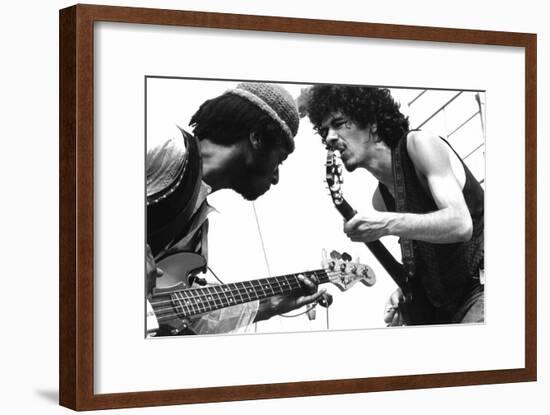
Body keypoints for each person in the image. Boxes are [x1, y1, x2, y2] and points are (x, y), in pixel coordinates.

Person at [146, 82, 326, 335]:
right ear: (257, 137)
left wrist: (272, 304)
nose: (276, 177)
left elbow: (187, 315)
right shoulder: (165, 146)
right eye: (280, 159)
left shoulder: (197, 233)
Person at [303, 85, 484, 325]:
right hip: (446, 308)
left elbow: (461, 225)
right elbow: (427, 255)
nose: (329, 138)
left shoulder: (420, 145)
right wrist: (408, 295)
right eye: (325, 130)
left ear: (371, 122)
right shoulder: (380, 200)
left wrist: (388, 224)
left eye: (338, 123)